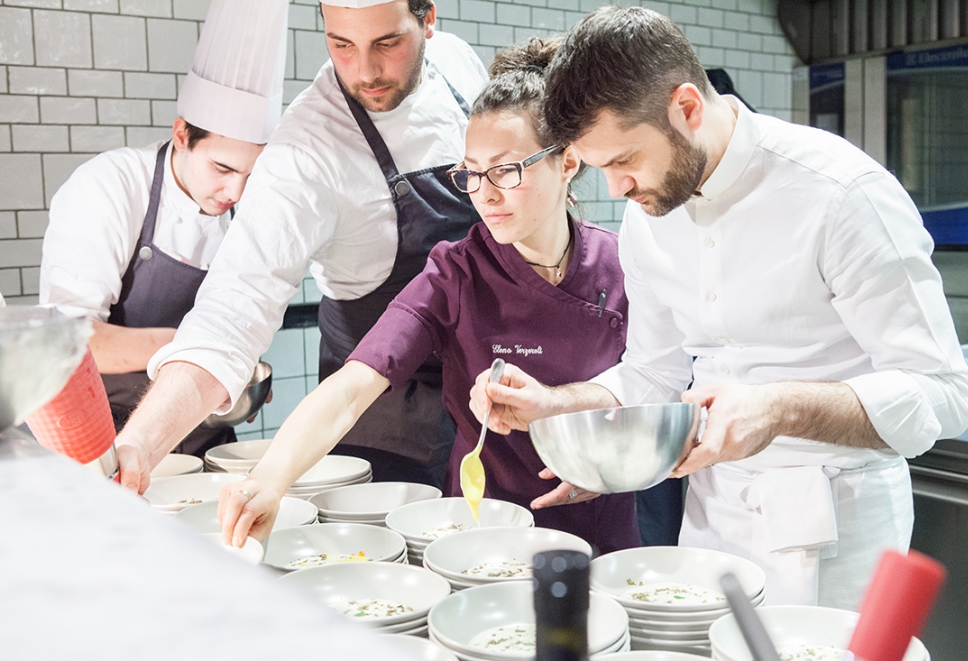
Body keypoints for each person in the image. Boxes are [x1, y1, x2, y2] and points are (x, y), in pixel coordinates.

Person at [469, 6, 968, 609]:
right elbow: (653, 371)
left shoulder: (841, 195)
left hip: (842, 519)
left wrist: (780, 408)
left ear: (686, 107)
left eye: (624, 161)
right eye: (601, 167)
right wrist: (558, 406)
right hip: (711, 517)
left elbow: (943, 394)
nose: (616, 189)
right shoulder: (649, 217)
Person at [216, 38, 642, 555]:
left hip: (601, 533)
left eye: (506, 170)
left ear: (568, 160)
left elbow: (660, 396)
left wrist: (614, 465)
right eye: (471, 173)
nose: (485, 193)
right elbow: (352, 387)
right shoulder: (455, 272)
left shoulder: (625, 265)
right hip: (480, 541)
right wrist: (268, 480)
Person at [111, 0, 487, 494]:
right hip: (387, 409)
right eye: (341, 44)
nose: (366, 71)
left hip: (489, 376)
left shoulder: (458, 63)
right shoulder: (306, 152)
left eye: (388, 43)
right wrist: (139, 445)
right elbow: (230, 315)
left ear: (428, 19)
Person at [39, 0, 290, 457]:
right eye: (222, 168)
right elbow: (69, 342)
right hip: (107, 442)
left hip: (203, 439)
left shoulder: (247, 211)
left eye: (251, 175)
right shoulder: (109, 187)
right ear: (181, 135)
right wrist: (207, 352)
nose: (236, 191)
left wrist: (234, 375)